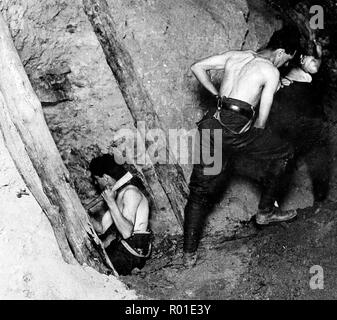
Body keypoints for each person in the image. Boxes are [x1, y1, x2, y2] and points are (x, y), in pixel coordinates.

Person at [184, 27, 300, 267]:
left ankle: (188, 254)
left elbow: (197, 66)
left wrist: (217, 95)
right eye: (285, 60)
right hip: (234, 131)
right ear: (280, 52)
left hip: (211, 127)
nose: (283, 65)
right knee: (285, 152)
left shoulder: (237, 55)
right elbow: (261, 121)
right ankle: (266, 211)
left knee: (200, 189)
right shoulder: (270, 71)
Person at [268, 40, 330, 202]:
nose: (316, 63)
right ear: (302, 58)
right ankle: (272, 203)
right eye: (312, 59)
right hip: (292, 129)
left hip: (315, 129)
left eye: (319, 59)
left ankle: (321, 201)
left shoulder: (316, 77)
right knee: (284, 163)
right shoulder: (284, 76)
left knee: (320, 162)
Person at [88, 154, 152, 276]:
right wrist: (84, 215)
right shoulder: (118, 194)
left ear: (106, 178)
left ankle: (132, 268)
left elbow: (127, 232)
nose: (96, 183)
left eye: (97, 179)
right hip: (123, 248)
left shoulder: (130, 192)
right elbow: (101, 229)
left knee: (92, 267)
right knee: (93, 256)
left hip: (132, 252)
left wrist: (111, 203)